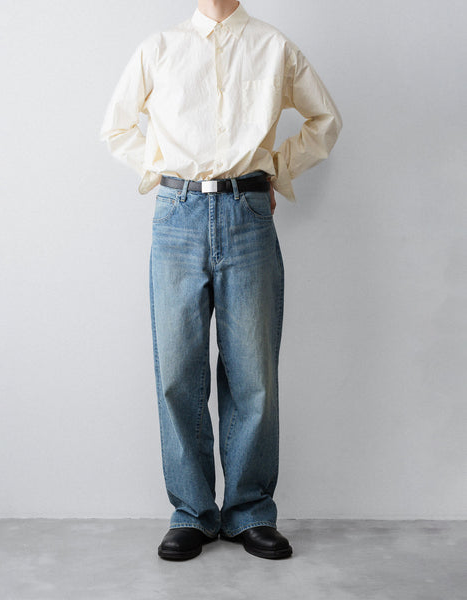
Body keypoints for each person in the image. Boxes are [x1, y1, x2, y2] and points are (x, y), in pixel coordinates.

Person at [99, 0, 342, 561]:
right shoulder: (159, 48)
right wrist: (163, 164)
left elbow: (324, 120)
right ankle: (192, 513)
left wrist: (277, 170)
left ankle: (249, 511)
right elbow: (116, 126)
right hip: (177, 215)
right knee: (177, 372)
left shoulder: (273, 47)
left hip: (247, 212)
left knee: (253, 373)